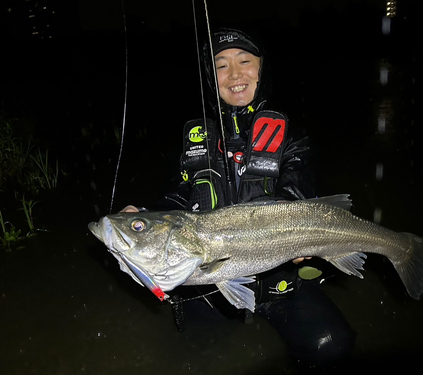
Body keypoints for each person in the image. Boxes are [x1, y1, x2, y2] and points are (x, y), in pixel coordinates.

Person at [123, 27, 356, 369]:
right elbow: (174, 201)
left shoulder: (293, 136)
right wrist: (143, 216)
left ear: (262, 69)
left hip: (281, 281)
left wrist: (305, 241)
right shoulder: (192, 138)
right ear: (209, 76)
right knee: (199, 357)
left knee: (332, 346)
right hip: (210, 283)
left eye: (245, 61)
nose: (235, 75)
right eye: (221, 65)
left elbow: (297, 197)